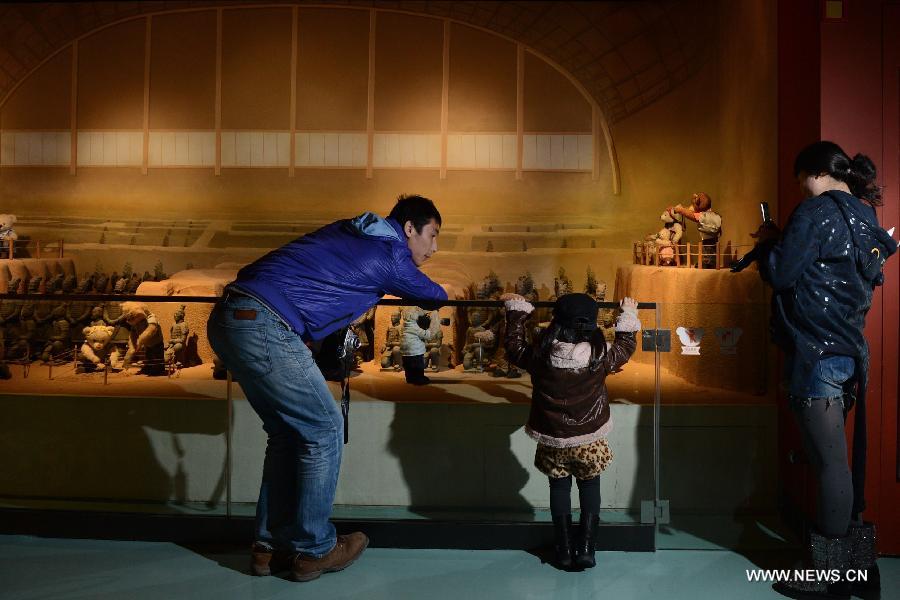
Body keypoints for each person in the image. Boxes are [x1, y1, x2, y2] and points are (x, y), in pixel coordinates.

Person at [207, 194, 448, 582]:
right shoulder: (389, 252)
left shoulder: (348, 228)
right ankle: (314, 550)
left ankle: (268, 548)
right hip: (267, 325)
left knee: (287, 434)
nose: (434, 248)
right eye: (432, 236)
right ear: (408, 229)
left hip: (228, 318)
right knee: (324, 430)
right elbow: (432, 294)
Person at [750, 141, 896, 599]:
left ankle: (828, 576)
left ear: (812, 173)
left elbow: (782, 274)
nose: (801, 188)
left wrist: (769, 242)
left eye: (800, 179)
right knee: (835, 459)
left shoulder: (813, 213)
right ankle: (855, 569)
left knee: (830, 463)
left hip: (816, 353)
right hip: (850, 350)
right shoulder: (864, 215)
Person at [502, 292, 640, 570]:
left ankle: (564, 549)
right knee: (590, 487)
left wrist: (518, 312)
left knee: (559, 488)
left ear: (557, 322)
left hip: (553, 438)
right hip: (589, 437)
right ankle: (587, 548)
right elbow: (625, 346)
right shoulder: (600, 356)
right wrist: (627, 314)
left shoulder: (542, 355)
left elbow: (514, 347)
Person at [671, 192, 722, 268]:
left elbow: (692, 215)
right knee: (709, 249)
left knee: (709, 249)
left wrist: (681, 210)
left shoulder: (703, 215)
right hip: (710, 237)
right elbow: (691, 212)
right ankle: (709, 261)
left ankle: (711, 263)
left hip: (709, 238)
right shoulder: (711, 214)